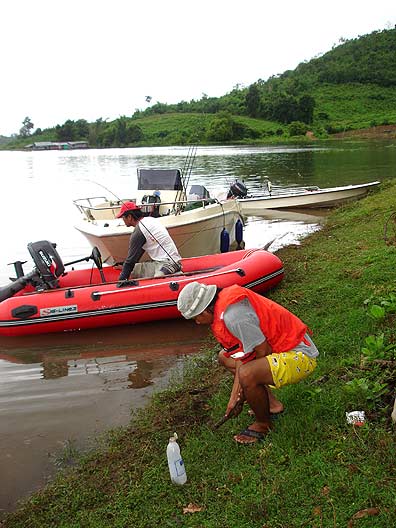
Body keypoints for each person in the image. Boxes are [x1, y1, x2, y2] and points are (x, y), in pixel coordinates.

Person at [177, 282, 319, 445]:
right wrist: (235, 396)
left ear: (205, 310)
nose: (197, 322)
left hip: (300, 356)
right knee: (224, 357)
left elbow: (262, 351)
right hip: (278, 349)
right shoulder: (224, 307)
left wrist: (241, 393)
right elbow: (243, 356)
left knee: (247, 374)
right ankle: (271, 405)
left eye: (196, 317)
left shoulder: (234, 317)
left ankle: (263, 424)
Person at [116, 201, 181, 281]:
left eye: (123, 218)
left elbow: (131, 260)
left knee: (158, 277)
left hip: (168, 262)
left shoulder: (139, 231)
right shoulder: (150, 220)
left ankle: (173, 268)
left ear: (129, 217)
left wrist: (121, 280)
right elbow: (136, 255)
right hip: (158, 262)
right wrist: (125, 266)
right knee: (135, 270)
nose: (123, 220)